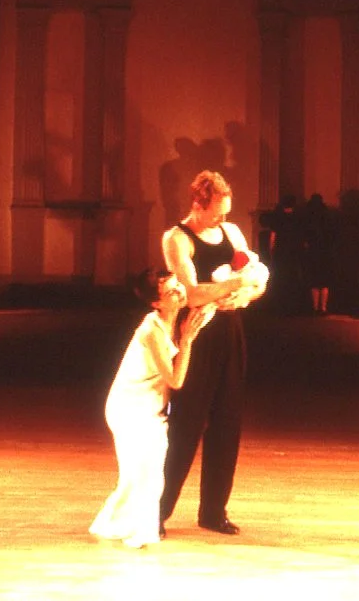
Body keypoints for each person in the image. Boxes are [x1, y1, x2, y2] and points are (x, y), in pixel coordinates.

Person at [159, 170, 268, 536]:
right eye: (216, 211)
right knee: (185, 424)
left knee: (227, 421)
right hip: (197, 334)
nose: (222, 218)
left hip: (230, 331)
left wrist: (246, 295)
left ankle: (213, 511)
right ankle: (156, 512)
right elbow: (191, 293)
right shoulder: (177, 238)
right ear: (198, 203)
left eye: (226, 211)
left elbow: (256, 279)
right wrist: (236, 284)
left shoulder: (231, 232)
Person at [89, 269, 213, 549]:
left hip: (149, 407)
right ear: (157, 303)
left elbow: (210, 304)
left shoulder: (175, 318)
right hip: (130, 408)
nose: (179, 292)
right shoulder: (152, 329)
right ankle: (140, 531)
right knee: (145, 472)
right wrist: (187, 341)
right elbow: (175, 380)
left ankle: (113, 523)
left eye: (178, 285)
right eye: (171, 291)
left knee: (140, 473)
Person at [302, 193, 335, 316]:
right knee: (324, 282)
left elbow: (305, 237)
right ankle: (323, 307)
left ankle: (315, 307)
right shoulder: (327, 216)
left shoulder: (309, 216)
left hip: (313, 252)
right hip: (326, 253)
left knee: (314, 282)